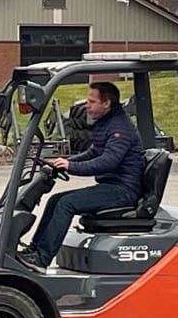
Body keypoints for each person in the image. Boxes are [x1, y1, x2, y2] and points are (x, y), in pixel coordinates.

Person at [19, 81, 145, 270]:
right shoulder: (106, 123)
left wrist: (71, 166)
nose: (87, 105)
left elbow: (108, 162)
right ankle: (34, 250)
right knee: (54, 200)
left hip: (122, 190)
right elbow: (94, 152)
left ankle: (41, 259)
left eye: (92, 102)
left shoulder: (120, 128)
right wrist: (66, 162)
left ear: (107, 103)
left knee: (66, 204)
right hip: (110, 186)